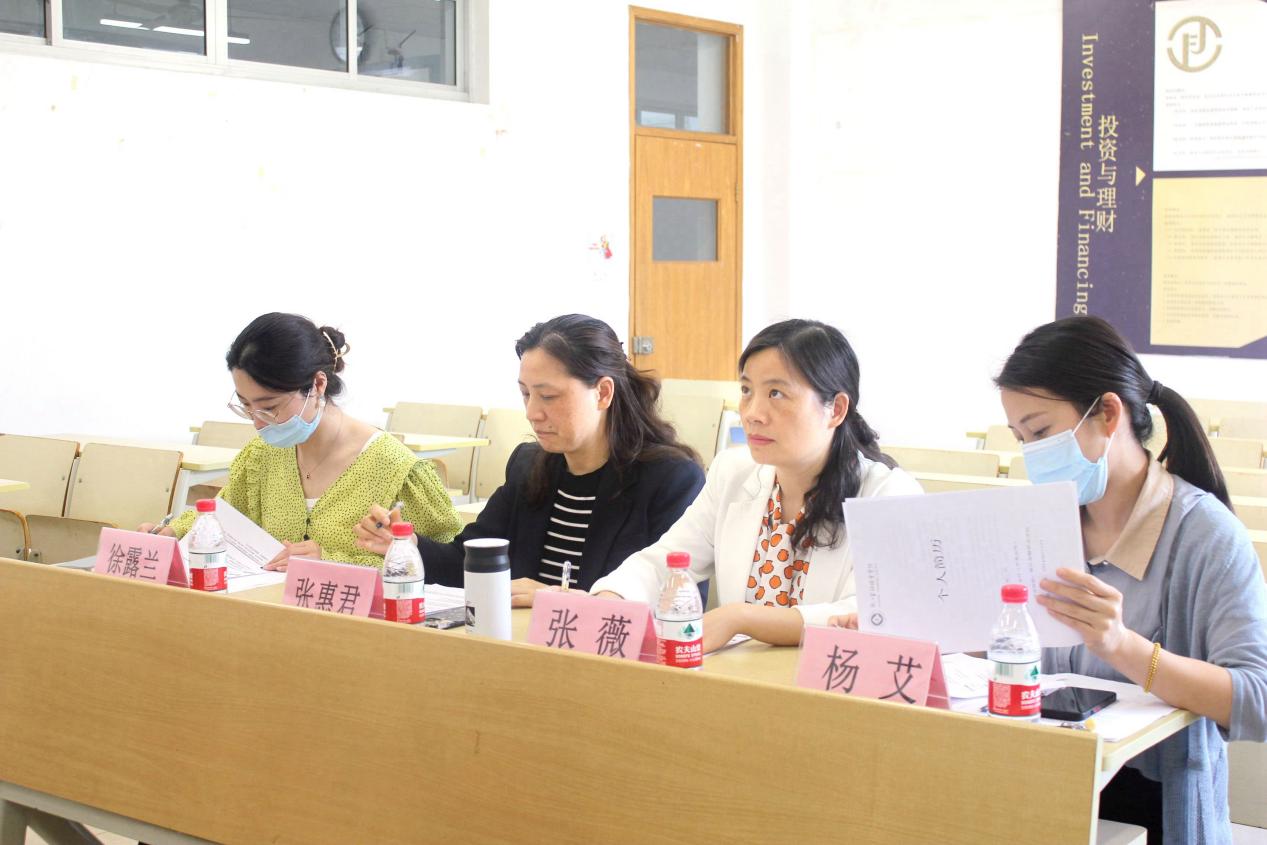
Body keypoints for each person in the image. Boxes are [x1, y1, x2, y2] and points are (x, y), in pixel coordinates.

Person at [995, 315, 1267, 845]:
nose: (1030, 454)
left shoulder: (1205, 535)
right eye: (1020, 438)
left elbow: (1257, 699)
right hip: (1049, 795)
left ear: (1108, 414)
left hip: (1160, 810)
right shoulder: (1039, 524)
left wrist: (1123, 646)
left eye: (1041, 432)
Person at [590, 318, 922, 652]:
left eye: (776, 393)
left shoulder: (889, 495)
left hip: (830, 680)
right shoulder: (733, 473)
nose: (752, 413)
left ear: (835, 409)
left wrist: (741, 618)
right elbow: (664, 562)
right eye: (747, 390)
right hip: (741, 679)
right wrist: (612, 597)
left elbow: (869, 614)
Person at [355, 314, 705, 605]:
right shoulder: (529, 466)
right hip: (523, 649)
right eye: (525, 394)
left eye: (548, 396)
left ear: (602, 392)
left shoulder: (671, 479)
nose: (532, 413)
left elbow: (677, 601)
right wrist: (408, 546)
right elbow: (473, 561)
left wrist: (563, 601)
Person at [142, 313, 460, 569]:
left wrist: (331, 563)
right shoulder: (262, 456)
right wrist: (172, 532)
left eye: (269, 407)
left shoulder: (396, 470)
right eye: (245, 405)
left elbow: (445, 566)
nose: (257, 423)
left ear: (317, 384)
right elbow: (223, 516)